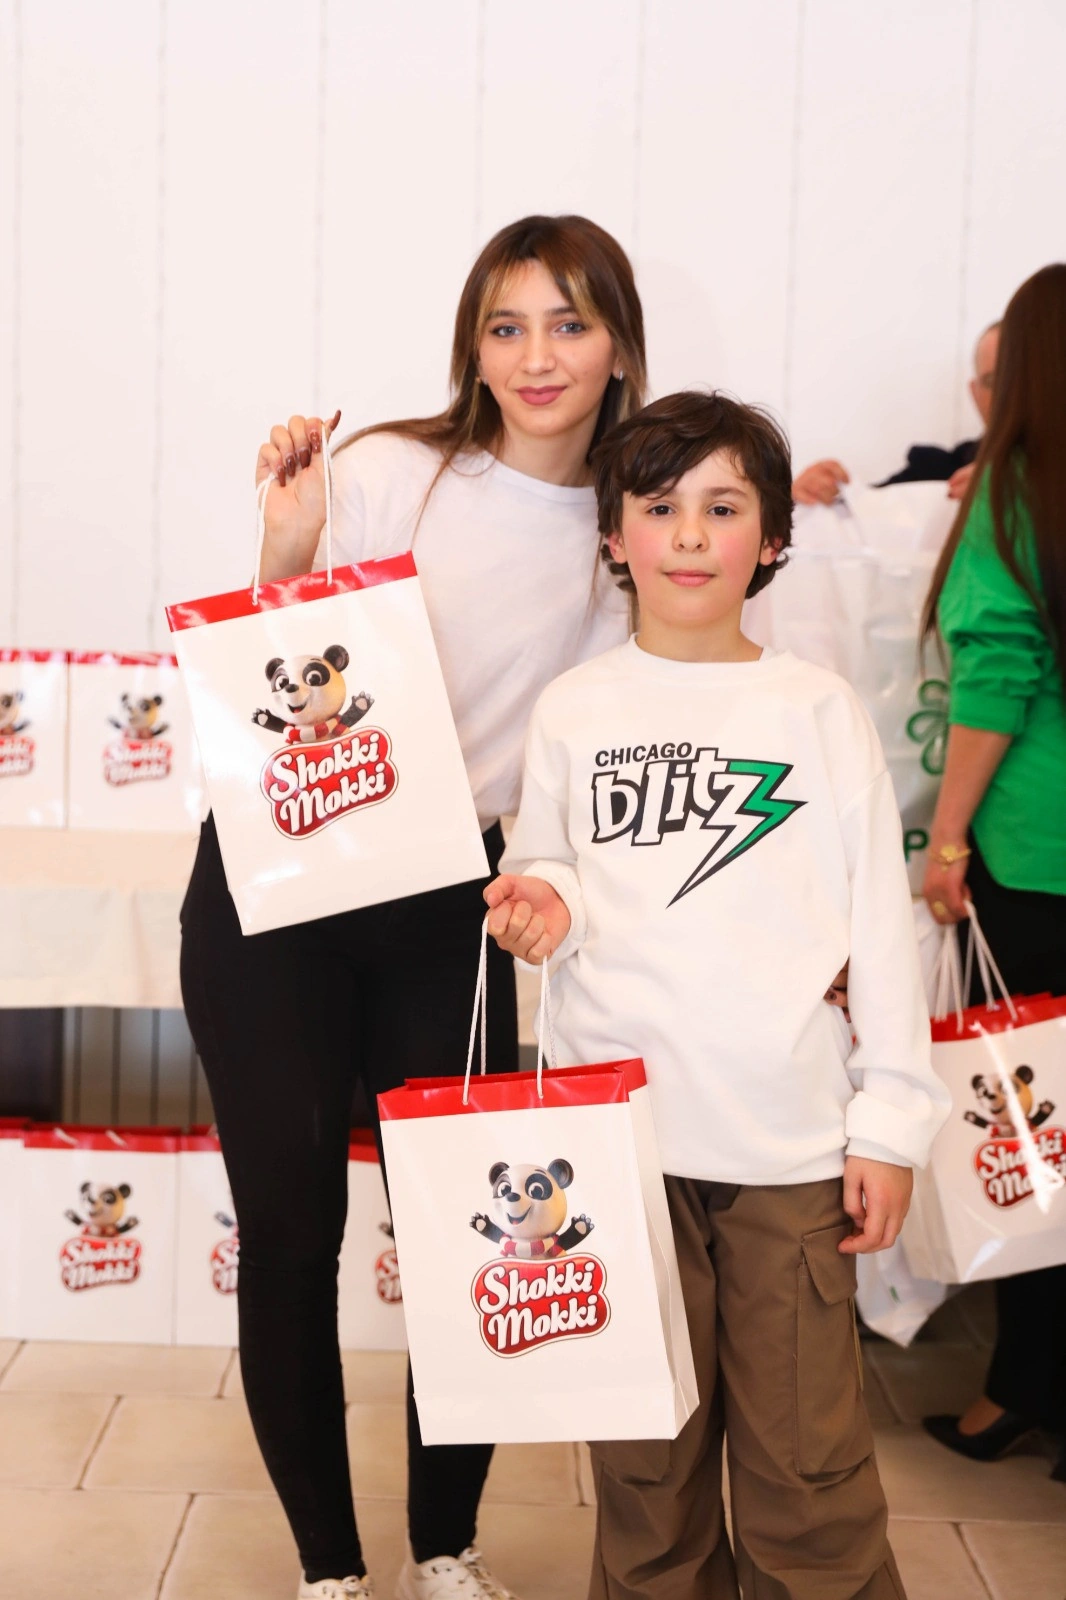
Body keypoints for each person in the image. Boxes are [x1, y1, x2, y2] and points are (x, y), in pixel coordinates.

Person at [180, 213, 647, 1600]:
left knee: (470, 1233)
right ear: (472, 348)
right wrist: (285, 545)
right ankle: (329, 1570)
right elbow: (276, 676)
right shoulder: (393, 472)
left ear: (618, 345)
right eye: (506, 327)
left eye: (567, 323)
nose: (536, 356)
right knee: (288, 1236)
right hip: (280, 883)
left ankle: (446, 1548)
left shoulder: (631, 531)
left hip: (451, 904)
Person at [484, 390, 951, 1599]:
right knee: (645, 1474)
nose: (688, 534)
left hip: (786, 1150)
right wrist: (541, 907)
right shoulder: (575, 708)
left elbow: (880, 935)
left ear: (772, 536)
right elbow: (552, 868)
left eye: (722, 506)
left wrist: (889, 1125)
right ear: (613, 533)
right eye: (658, 506)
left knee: (809, 1477)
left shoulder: (817, 711)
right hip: (617, 1146)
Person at [919, 263, 1066, 1481]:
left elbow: (996, 679)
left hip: (1034, 858)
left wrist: (946, 838)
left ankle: (1021, 1385)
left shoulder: (1019, 489)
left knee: (1029, 1132)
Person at [793, 321, 1000, 507]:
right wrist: (812, 495)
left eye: (1014, 378)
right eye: (992, 381)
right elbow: (866, 513)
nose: (1006, 392)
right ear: (974, 392)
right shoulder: (939, 472)